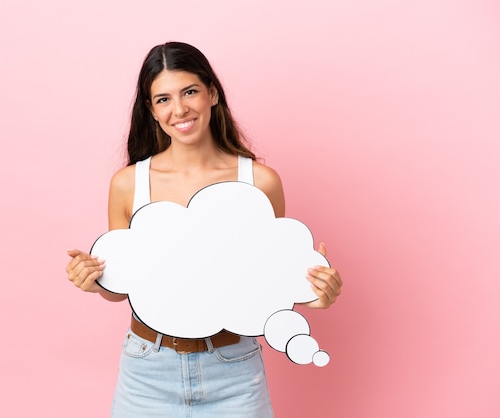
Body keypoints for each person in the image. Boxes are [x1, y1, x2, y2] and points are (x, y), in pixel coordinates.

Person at [66, 41, 342, 417]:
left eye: (190, 92)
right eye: (163, 99)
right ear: (151, 110)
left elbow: (266, 284)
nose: (179, 109)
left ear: (212, 93)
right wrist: (94, 278)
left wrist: (314, 294)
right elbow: (122, 289)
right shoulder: (129, 184)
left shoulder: (260, 182)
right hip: (148, 369)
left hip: (233, 370)